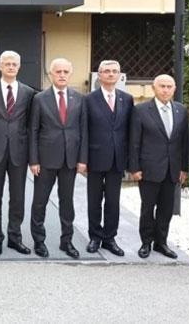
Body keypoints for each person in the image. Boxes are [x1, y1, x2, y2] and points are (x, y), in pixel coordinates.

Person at [0, 50, 35, 257]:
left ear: (19, 67)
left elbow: (30, 123)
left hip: (19, 152)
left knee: (18, 198)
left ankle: (15, 237)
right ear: (0, 66)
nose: (11, 67)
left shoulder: (28, 92)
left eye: (14, 64)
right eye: (7, 64)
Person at [29, 58, 87, 259]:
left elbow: (83, 131)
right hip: (45, 160)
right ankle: (39, 241)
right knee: (40, 202)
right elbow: (33, 130)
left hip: (70, 160)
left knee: (67, 202)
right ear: (51, 74)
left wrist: (82, 159)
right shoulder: (39, 99)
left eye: (65, 71)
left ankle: (67, 241)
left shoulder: (79, 99)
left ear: (70, 74)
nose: (62, 75)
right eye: (58, 71)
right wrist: (33, 160)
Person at [128, 74, 188, 259]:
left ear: (174, 89)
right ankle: (146, 242)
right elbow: (134, 141)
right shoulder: (141, 110)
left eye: (169, 86)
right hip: (148, 169)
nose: (165, 90)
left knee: (166, 208)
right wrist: (134, 168)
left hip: (172, 169)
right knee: (148, 208)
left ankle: (161, 242)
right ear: (154, 88)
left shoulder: (181, 110)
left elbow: (184, 142)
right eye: (162, 86)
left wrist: (184, 168)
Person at [84, 60, 133, 256]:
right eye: (106, 71)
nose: (111, 74)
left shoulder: (127, 99)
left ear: (119, 75)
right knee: (94, 200)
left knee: (113, 201)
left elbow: (130, 131)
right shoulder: (89, 99)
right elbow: (84, 131)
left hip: (117, 159)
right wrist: (83, 159)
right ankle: (95, 237)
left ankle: (109, 238)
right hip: (95, 157)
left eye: (114, 71)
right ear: (99, 75)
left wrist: (130, 160)